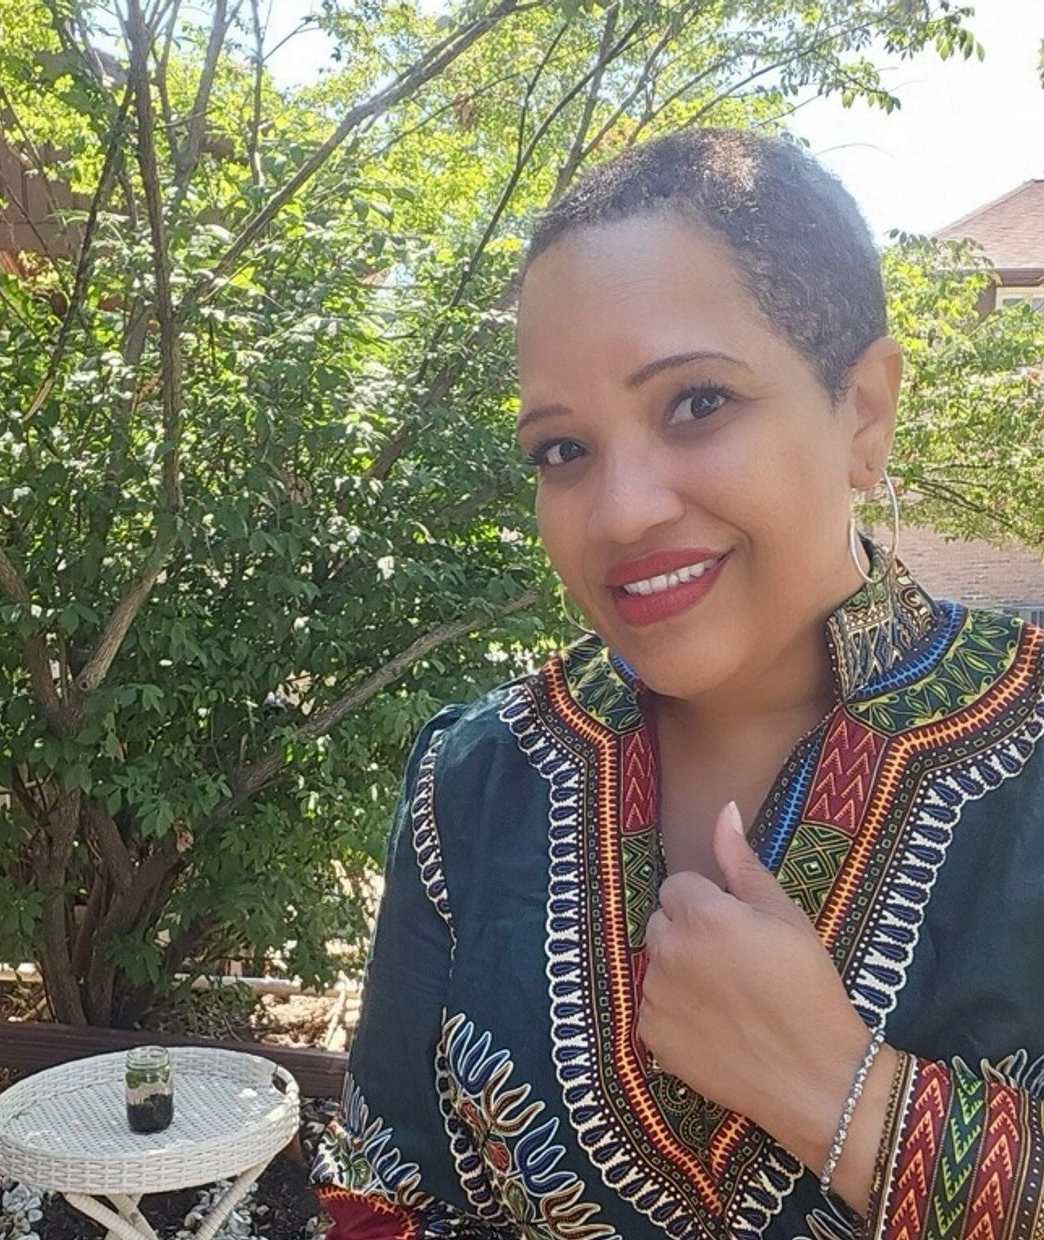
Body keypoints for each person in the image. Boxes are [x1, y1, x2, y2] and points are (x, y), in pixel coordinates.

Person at [308, 127, 1044, 1240]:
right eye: (562, 450)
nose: (620, 513)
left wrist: (845, 1097)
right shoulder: (473, 785)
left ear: (863, 410)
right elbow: (385, 1201)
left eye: (697, 402)